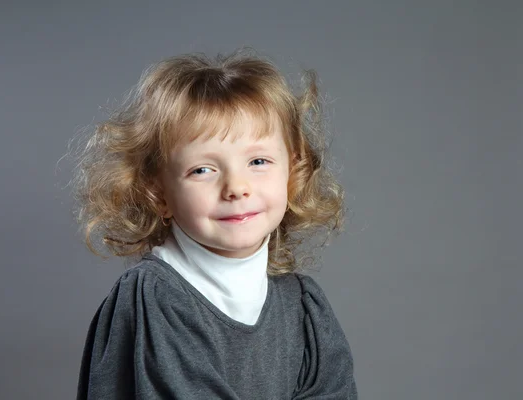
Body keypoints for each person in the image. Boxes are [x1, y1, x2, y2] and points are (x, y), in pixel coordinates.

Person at [72, 48, 357, 399]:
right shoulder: (155, 298)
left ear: (292, 174)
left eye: (258, 161)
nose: (237, 187)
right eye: (202, 170)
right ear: (158, 194)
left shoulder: (304, 308)